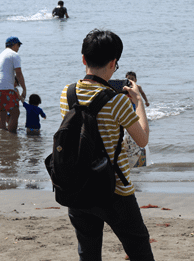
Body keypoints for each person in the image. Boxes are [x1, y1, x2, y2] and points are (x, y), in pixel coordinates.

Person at [60, 29, 154, 260]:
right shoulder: (117, 101)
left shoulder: (67, 93)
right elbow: (142, 139)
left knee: (88, 251)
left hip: (77, 184)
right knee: (139, 248)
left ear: (84, 59)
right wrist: (138, 102)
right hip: (114, 188)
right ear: (114, 63)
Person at [0, 36, 27, 133]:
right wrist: (24, 89)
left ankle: (2, 138)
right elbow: (19, 73)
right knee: (15, 113)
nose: (19, 48)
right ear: (14, 45)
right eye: (18, 45)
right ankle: (12, 139)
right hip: (6, 89)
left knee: (2, 115)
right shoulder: (14, 55)